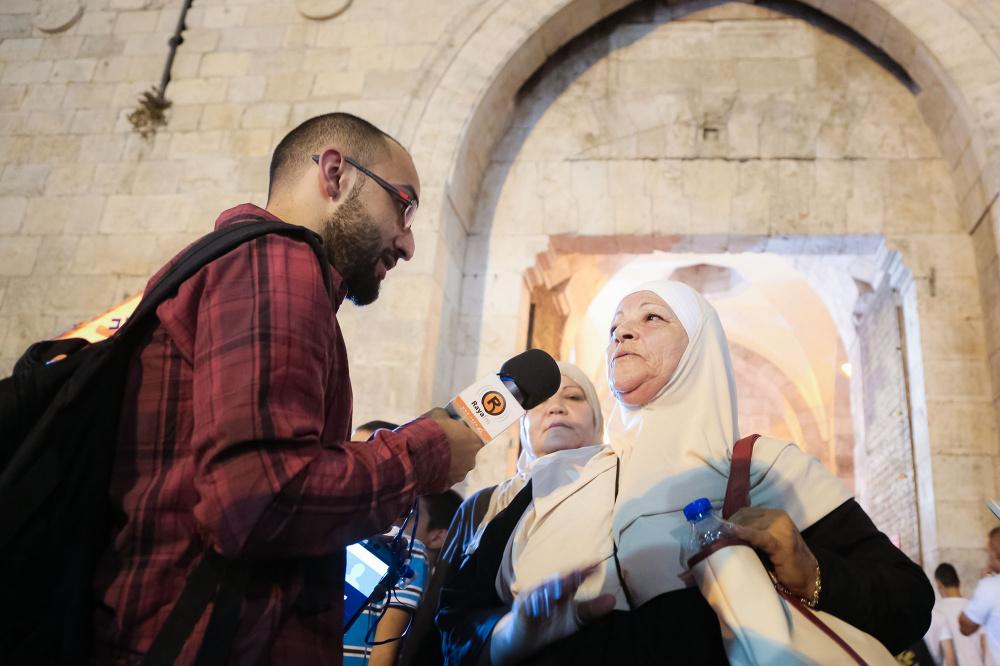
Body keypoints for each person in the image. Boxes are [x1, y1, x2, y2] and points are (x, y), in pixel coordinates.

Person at [91, 112, 482, 664]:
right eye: (404, 206)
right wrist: (427, 452)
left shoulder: (244, 262)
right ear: (335, 174)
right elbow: (257, 499)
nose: (409, 243)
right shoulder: (277, 260)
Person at [438, 280, 934, 665]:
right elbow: (458, 621)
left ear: (699, 344)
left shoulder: (765, 469)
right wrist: (513, 633)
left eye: (651, 317)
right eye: (614, 328)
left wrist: (809, 570)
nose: (621, 334)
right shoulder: (560, 480)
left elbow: (907, 602)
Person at [405, 363, 604, 666]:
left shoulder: (619, 485)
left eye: (574, 397)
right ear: (521, 425)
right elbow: (442, 617)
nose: (556, 408)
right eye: (541, 401)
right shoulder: (484, 506)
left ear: (597, 417)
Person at [926, 563, 986, 665]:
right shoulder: (975, 608)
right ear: (958, 582)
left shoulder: (936, 611)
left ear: (939, 584)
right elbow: (984, 645)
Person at [961, 528, 1000, 663]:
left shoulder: (991, 586)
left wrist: (982, 584)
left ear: (994, 552)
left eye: (987, 551)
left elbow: (966, 627)